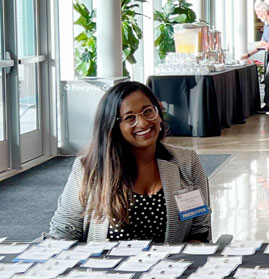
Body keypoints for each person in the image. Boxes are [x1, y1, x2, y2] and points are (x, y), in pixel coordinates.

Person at [48, 81, 212, 243]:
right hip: (106, 267)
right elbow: (63, 232)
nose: (142, 123)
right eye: (129, 118)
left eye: (148, 111)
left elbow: (199, 230)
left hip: (171, 266)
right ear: (113, 126)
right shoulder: (88, 168)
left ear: (159, 115)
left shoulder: (186, 161)